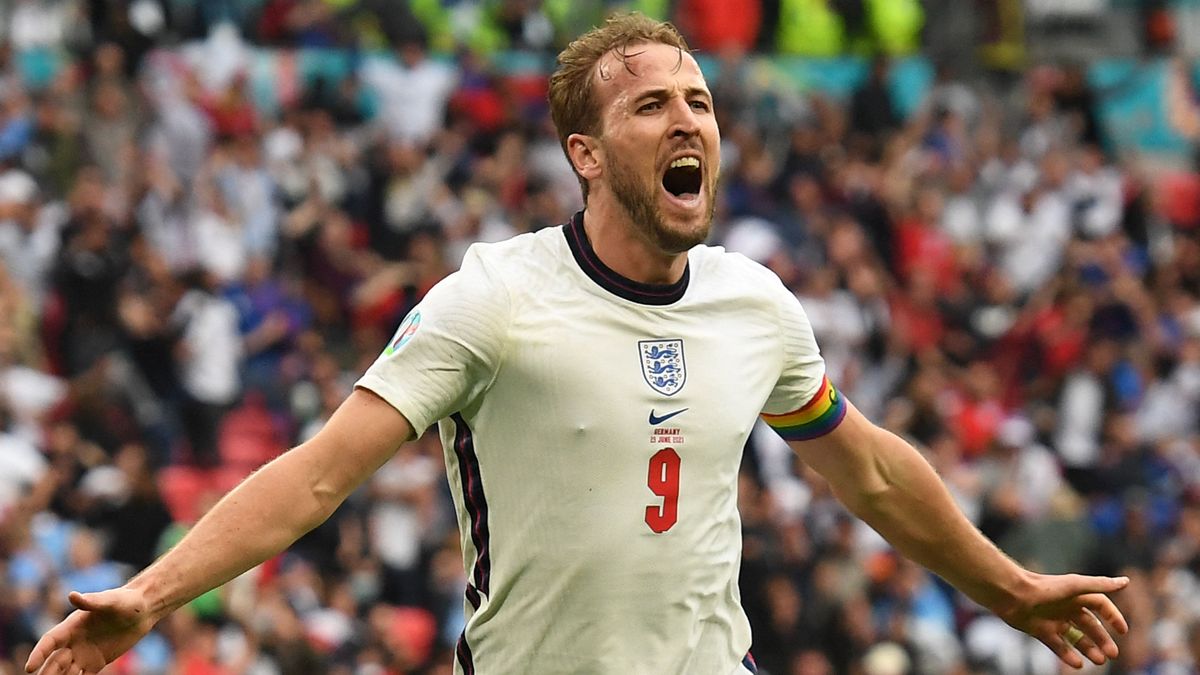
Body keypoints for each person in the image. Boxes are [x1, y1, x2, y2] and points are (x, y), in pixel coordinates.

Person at [26, 14, 1129, 675]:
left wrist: (1009, 588)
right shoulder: (494, 296)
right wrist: (153, 595)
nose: (690, 120)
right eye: (652, 107)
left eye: (699, 101)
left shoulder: (756, 305)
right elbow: (319, 478)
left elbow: (875, 469)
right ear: (587, 154)